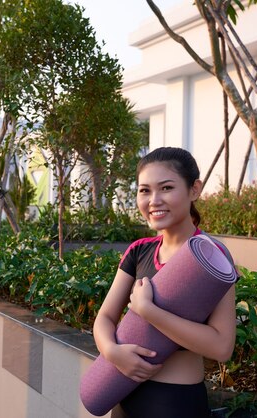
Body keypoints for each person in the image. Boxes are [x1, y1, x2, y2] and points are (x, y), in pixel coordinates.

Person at [92, 147, 238, 418]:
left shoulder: (212, 257)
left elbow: (221, 346)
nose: (153, 200)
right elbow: (105, 317)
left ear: (194, 190)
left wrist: (149, 311)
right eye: (144, 190)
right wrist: (112, 352)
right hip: (123, 393)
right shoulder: (139, 250)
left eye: (166, 188)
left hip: (175, 403)